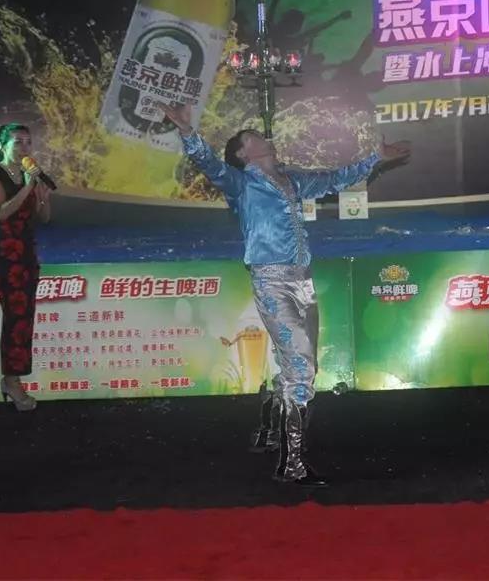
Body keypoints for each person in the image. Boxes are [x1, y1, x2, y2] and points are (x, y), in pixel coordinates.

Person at [162, 103, 410, 486]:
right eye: (254, 137)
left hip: (302, 281)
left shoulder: (291, 180)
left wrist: (375, 158)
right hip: (271, 281)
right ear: (244, 153)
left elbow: (334, 179)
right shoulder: (241, 183)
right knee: (302, 368)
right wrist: (187, 131)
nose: (265, 138)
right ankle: (291, 464)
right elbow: (209, 164)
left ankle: (269, 431)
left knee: (298, 362)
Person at [0, 124, 53, 412]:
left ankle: (12, 378)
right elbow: (0, 212)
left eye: (28, 142)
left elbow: (44, 217)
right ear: (2, 146)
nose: (24, 147)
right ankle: (12, 381)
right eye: (17, 142)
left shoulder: (28, 176)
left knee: (25, 317)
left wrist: (43, 196)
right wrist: (27, 187)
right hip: (5, 254)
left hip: (27, 252)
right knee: (15, 317)